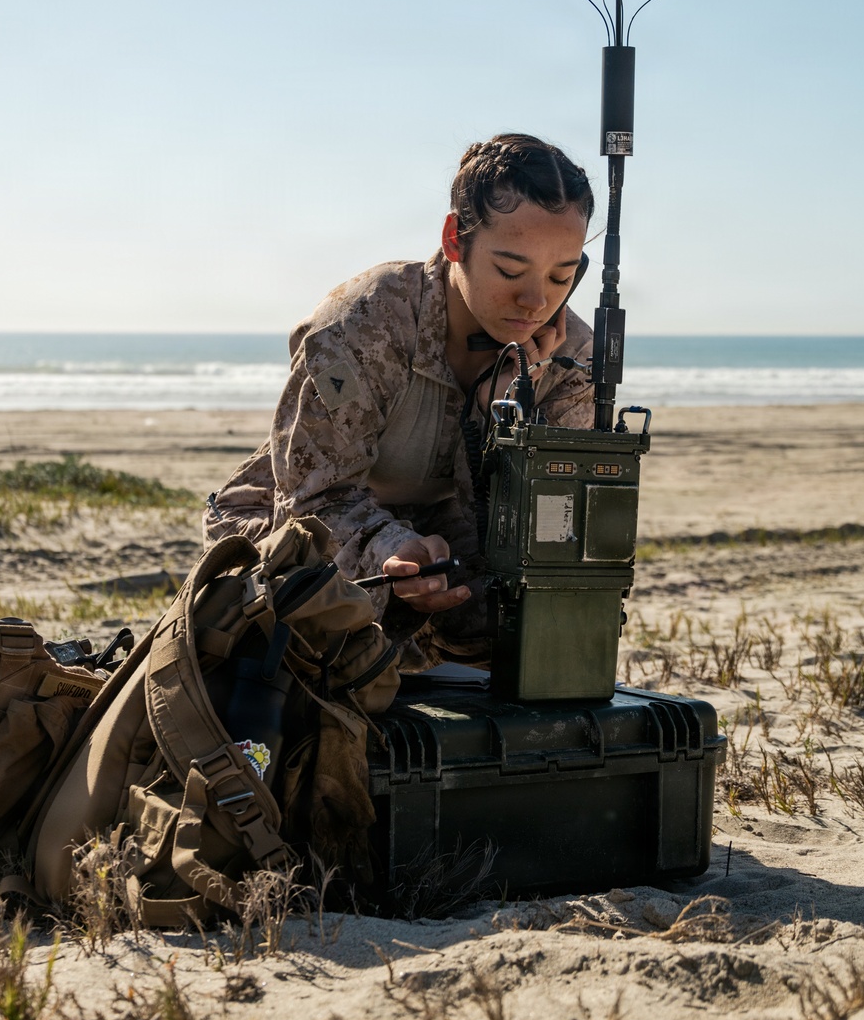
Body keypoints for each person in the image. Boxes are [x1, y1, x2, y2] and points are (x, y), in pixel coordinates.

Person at [204, 132, 595, 666]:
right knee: (309, 642)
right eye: (510, 270)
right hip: (294, 525)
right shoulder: (363, 324)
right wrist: (393, 551)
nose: (536, 301)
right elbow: (314, 500)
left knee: (528, 626)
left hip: (447, 531)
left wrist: (508, 416)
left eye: (561, 276)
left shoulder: (569, 355)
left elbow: (549, 526)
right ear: (455, 240)